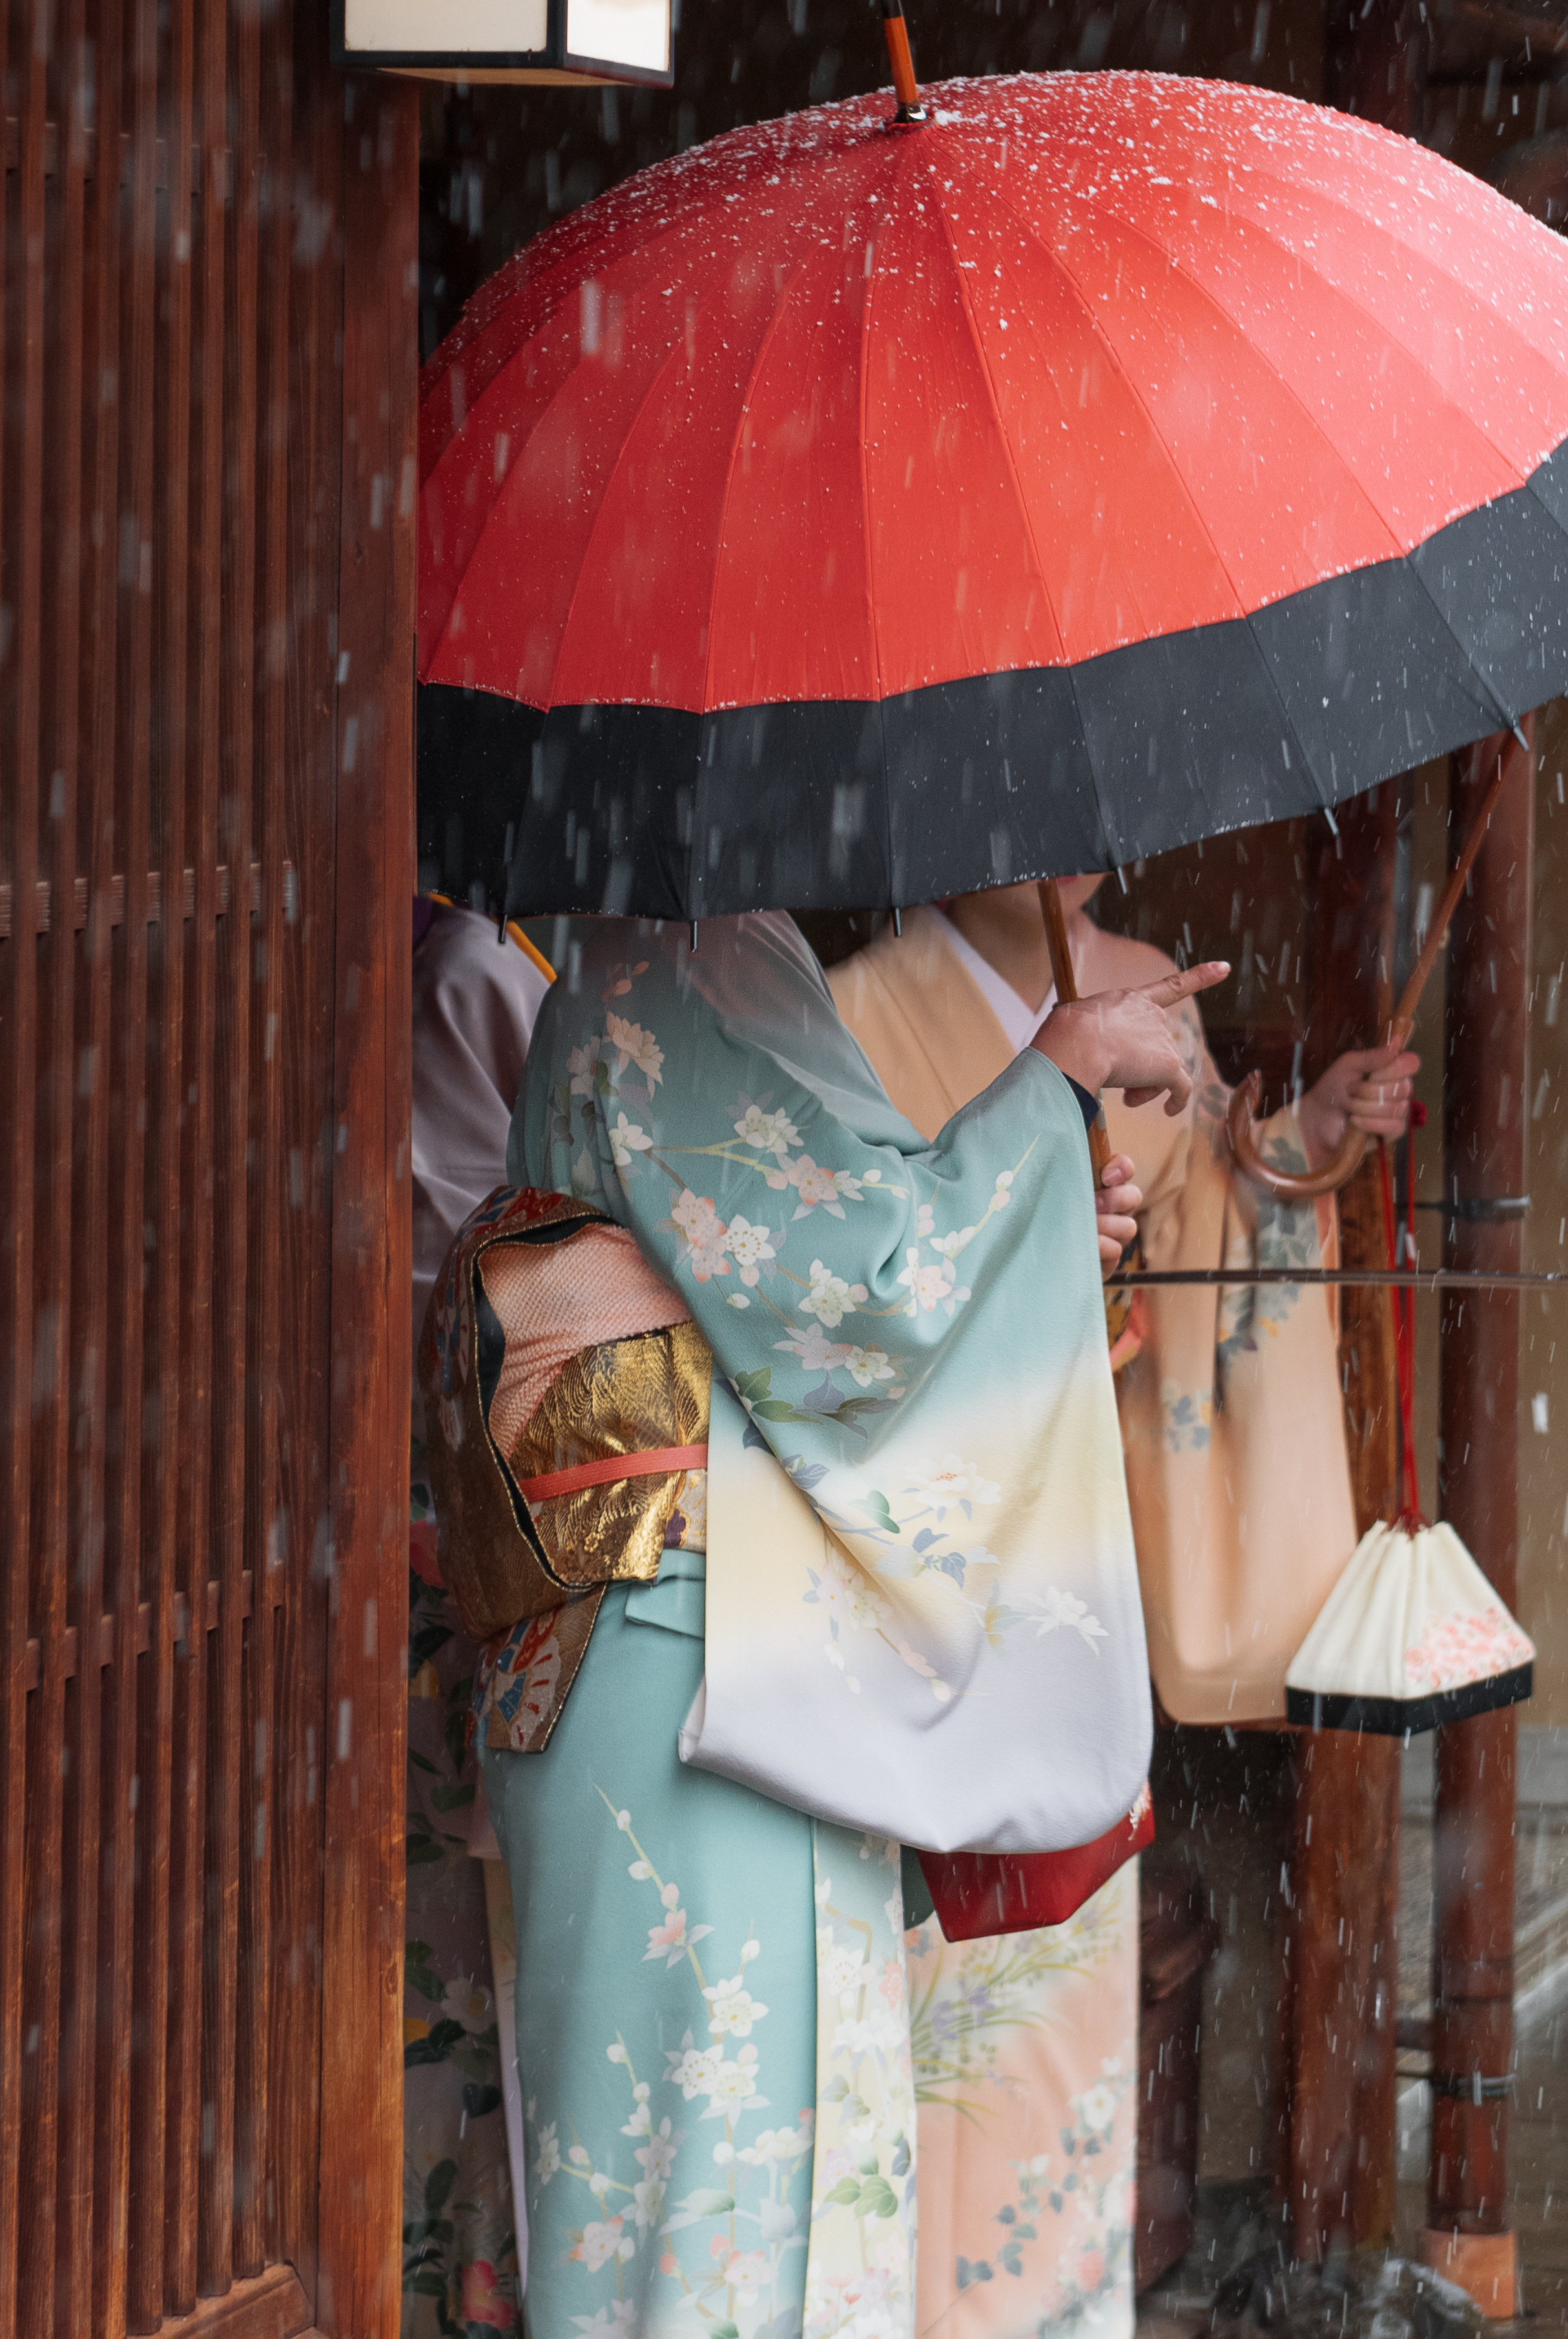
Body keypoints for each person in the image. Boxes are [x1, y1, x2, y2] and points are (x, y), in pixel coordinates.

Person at [437, 912, 1210, 2339]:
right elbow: (870, 1291)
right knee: (735, 2215)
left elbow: (809, 1246)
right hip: (705, 1674)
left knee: (647, 2207)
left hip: (614, 1656)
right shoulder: (695, 958)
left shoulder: (623, 958)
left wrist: (1028, 1181)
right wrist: (1054, 1079)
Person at [829, 882, 1407, 2339]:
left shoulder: (1149, 981)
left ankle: (1044, 2298)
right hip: (940, 1523)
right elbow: (857, 1273)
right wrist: (1025, 1235)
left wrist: (1311, 1138)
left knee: (1062, 1952)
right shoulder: (863, 1001)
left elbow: (1211, 1203)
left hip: (1077, 1501)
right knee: (925, 1958)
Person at [406, 900, 560, 2334]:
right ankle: (460, 2284)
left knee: (495, 1974)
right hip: (468, 1464)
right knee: (469, 1973)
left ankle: (475, 2277)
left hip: (499, 1472)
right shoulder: (470, 960)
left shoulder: (512, 946)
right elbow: (473, 1242)